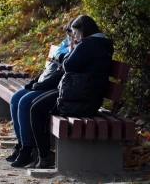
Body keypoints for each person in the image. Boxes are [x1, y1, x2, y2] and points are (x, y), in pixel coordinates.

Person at [28, 15, 113, 169]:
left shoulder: (88, 44)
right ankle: (42, 154)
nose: (74, 38)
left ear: (83, 30)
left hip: (81, 100)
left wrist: (67, 54)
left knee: (36, 109)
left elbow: (68, 64)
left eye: (75, 33)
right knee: (36, 105)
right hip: (86, 96)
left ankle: (44, 156)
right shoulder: (100, 43)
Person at [6, 20, 75, 168]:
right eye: (68, 32)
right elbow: (48, 69)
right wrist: (35, 82)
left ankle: (28, 149)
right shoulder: (64, 46)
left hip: (54, 87)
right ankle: (21, 143)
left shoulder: (76, 49)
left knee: (25, 102)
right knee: (15, 98)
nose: (69, 36)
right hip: (44, 82)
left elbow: (61, 75)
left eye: (72, 32)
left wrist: (41, 85)